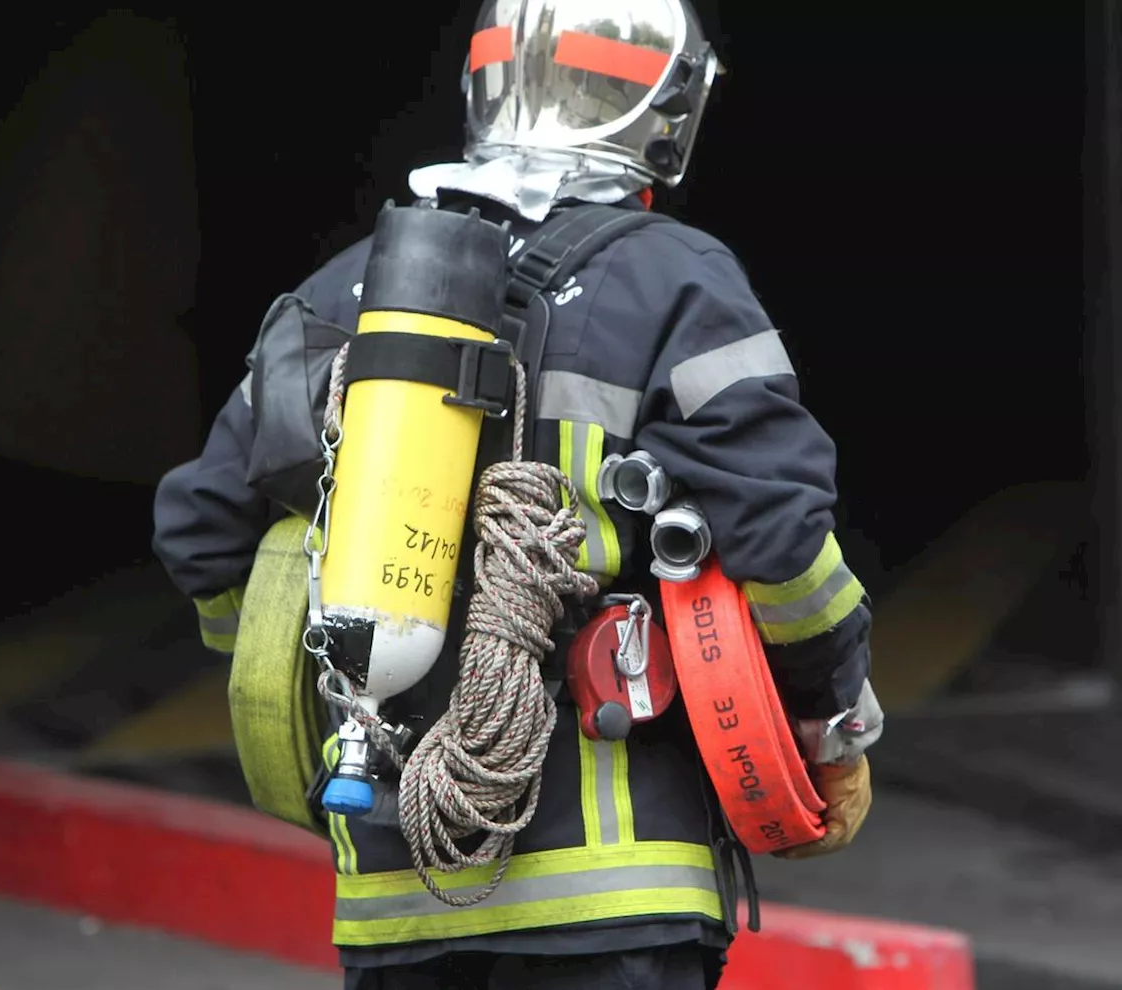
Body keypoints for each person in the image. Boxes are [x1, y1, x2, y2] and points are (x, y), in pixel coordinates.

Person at [153, 1, 885, 987]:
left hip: (397, 887)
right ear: (659, 106)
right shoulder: (676, 279)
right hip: (616, 890)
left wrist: (343, 665)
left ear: (485, 86)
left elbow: (201, 531)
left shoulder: (337, 293)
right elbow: (782, 541)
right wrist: (830, 721)